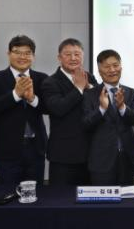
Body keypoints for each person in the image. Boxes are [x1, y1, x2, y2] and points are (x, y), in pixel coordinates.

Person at [0, 35, 48, 185]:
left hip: (35, 149)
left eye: (27, 53)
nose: (22, 57)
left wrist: (32, 99)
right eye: (17, 52)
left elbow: (49, 108)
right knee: (9, 193)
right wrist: (15, 95)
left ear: (33, 56)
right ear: (8, 54)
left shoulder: (42, 78)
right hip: (6, 149)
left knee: (34, 194)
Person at [82, 50, 134, 185]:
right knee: (103, 197)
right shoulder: (90, 94)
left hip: (126, 158)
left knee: (127, 196)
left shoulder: (131, 92)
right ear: (99, 70)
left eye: (115, 65)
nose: (112, 70)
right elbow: (86, 124)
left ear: (121, 67)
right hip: (101, 160)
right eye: (107, 66)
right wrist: (102, 109)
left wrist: (122, 106)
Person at [41, 38, 97, 185]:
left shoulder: (89, 77)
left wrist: (90, 88)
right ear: (59, 57)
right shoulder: (50, 82)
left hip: (90, 153)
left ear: (83, 56)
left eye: (77, 54)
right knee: (61, 197)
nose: (73, 58)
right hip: (63, 155)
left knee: (89, 196)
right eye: (68, 54)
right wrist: (78, 88)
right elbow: (58, 108)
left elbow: (97, 106)